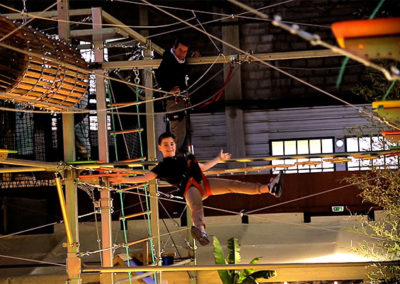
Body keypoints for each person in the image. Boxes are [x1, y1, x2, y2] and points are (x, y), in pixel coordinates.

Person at [109, 132, 284, 246]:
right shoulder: (161, 167)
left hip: (203, 184)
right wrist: (123, 179)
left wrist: (219, 158)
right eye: (166, 144)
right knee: (196, 207)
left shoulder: (184, 159)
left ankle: (268, 188)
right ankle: (201, 230)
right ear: (160, 148)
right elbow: (145, 177)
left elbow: (204, 167)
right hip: (189, 188)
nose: (170, 146)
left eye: (172, 143)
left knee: (233, 185)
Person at [155, 37, 199, 155]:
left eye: (185, 51)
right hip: (174, 101)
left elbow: (183, 72)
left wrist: (192, 60)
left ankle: (183, 158)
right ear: (174, 48)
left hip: (182, 101)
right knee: (179, 134)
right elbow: (159, 76)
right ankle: (175, 160)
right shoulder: (168, 60)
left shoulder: (179, 61)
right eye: (180, 50)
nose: (182, 54)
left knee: (187, 133)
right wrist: (170, 88)